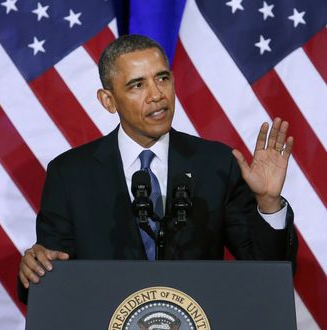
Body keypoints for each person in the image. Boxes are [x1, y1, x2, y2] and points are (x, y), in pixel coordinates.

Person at [18, 34, 297, 303]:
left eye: (162, 78)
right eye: (137, 85)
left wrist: (269, 204)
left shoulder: (216, 164)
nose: (156, 95)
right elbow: (50, 279)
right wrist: (34, 269)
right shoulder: (69, 175)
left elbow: (267, 272)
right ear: (108, 100)